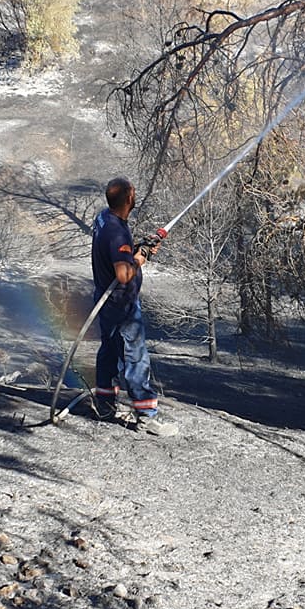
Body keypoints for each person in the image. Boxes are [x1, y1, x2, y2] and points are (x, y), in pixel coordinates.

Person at [91, 177, 180, 437]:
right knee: (136, 355)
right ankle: (146, 416)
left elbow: (115, 254)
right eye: (133, 192)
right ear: (129, 198)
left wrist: (137, 248)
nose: (136, 194)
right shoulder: (117, 232)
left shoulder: (104, 219)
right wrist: (139, 259)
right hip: (122, 303)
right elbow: (122, 273)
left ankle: (105, 404)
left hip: (105, 300)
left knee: (109, 349)